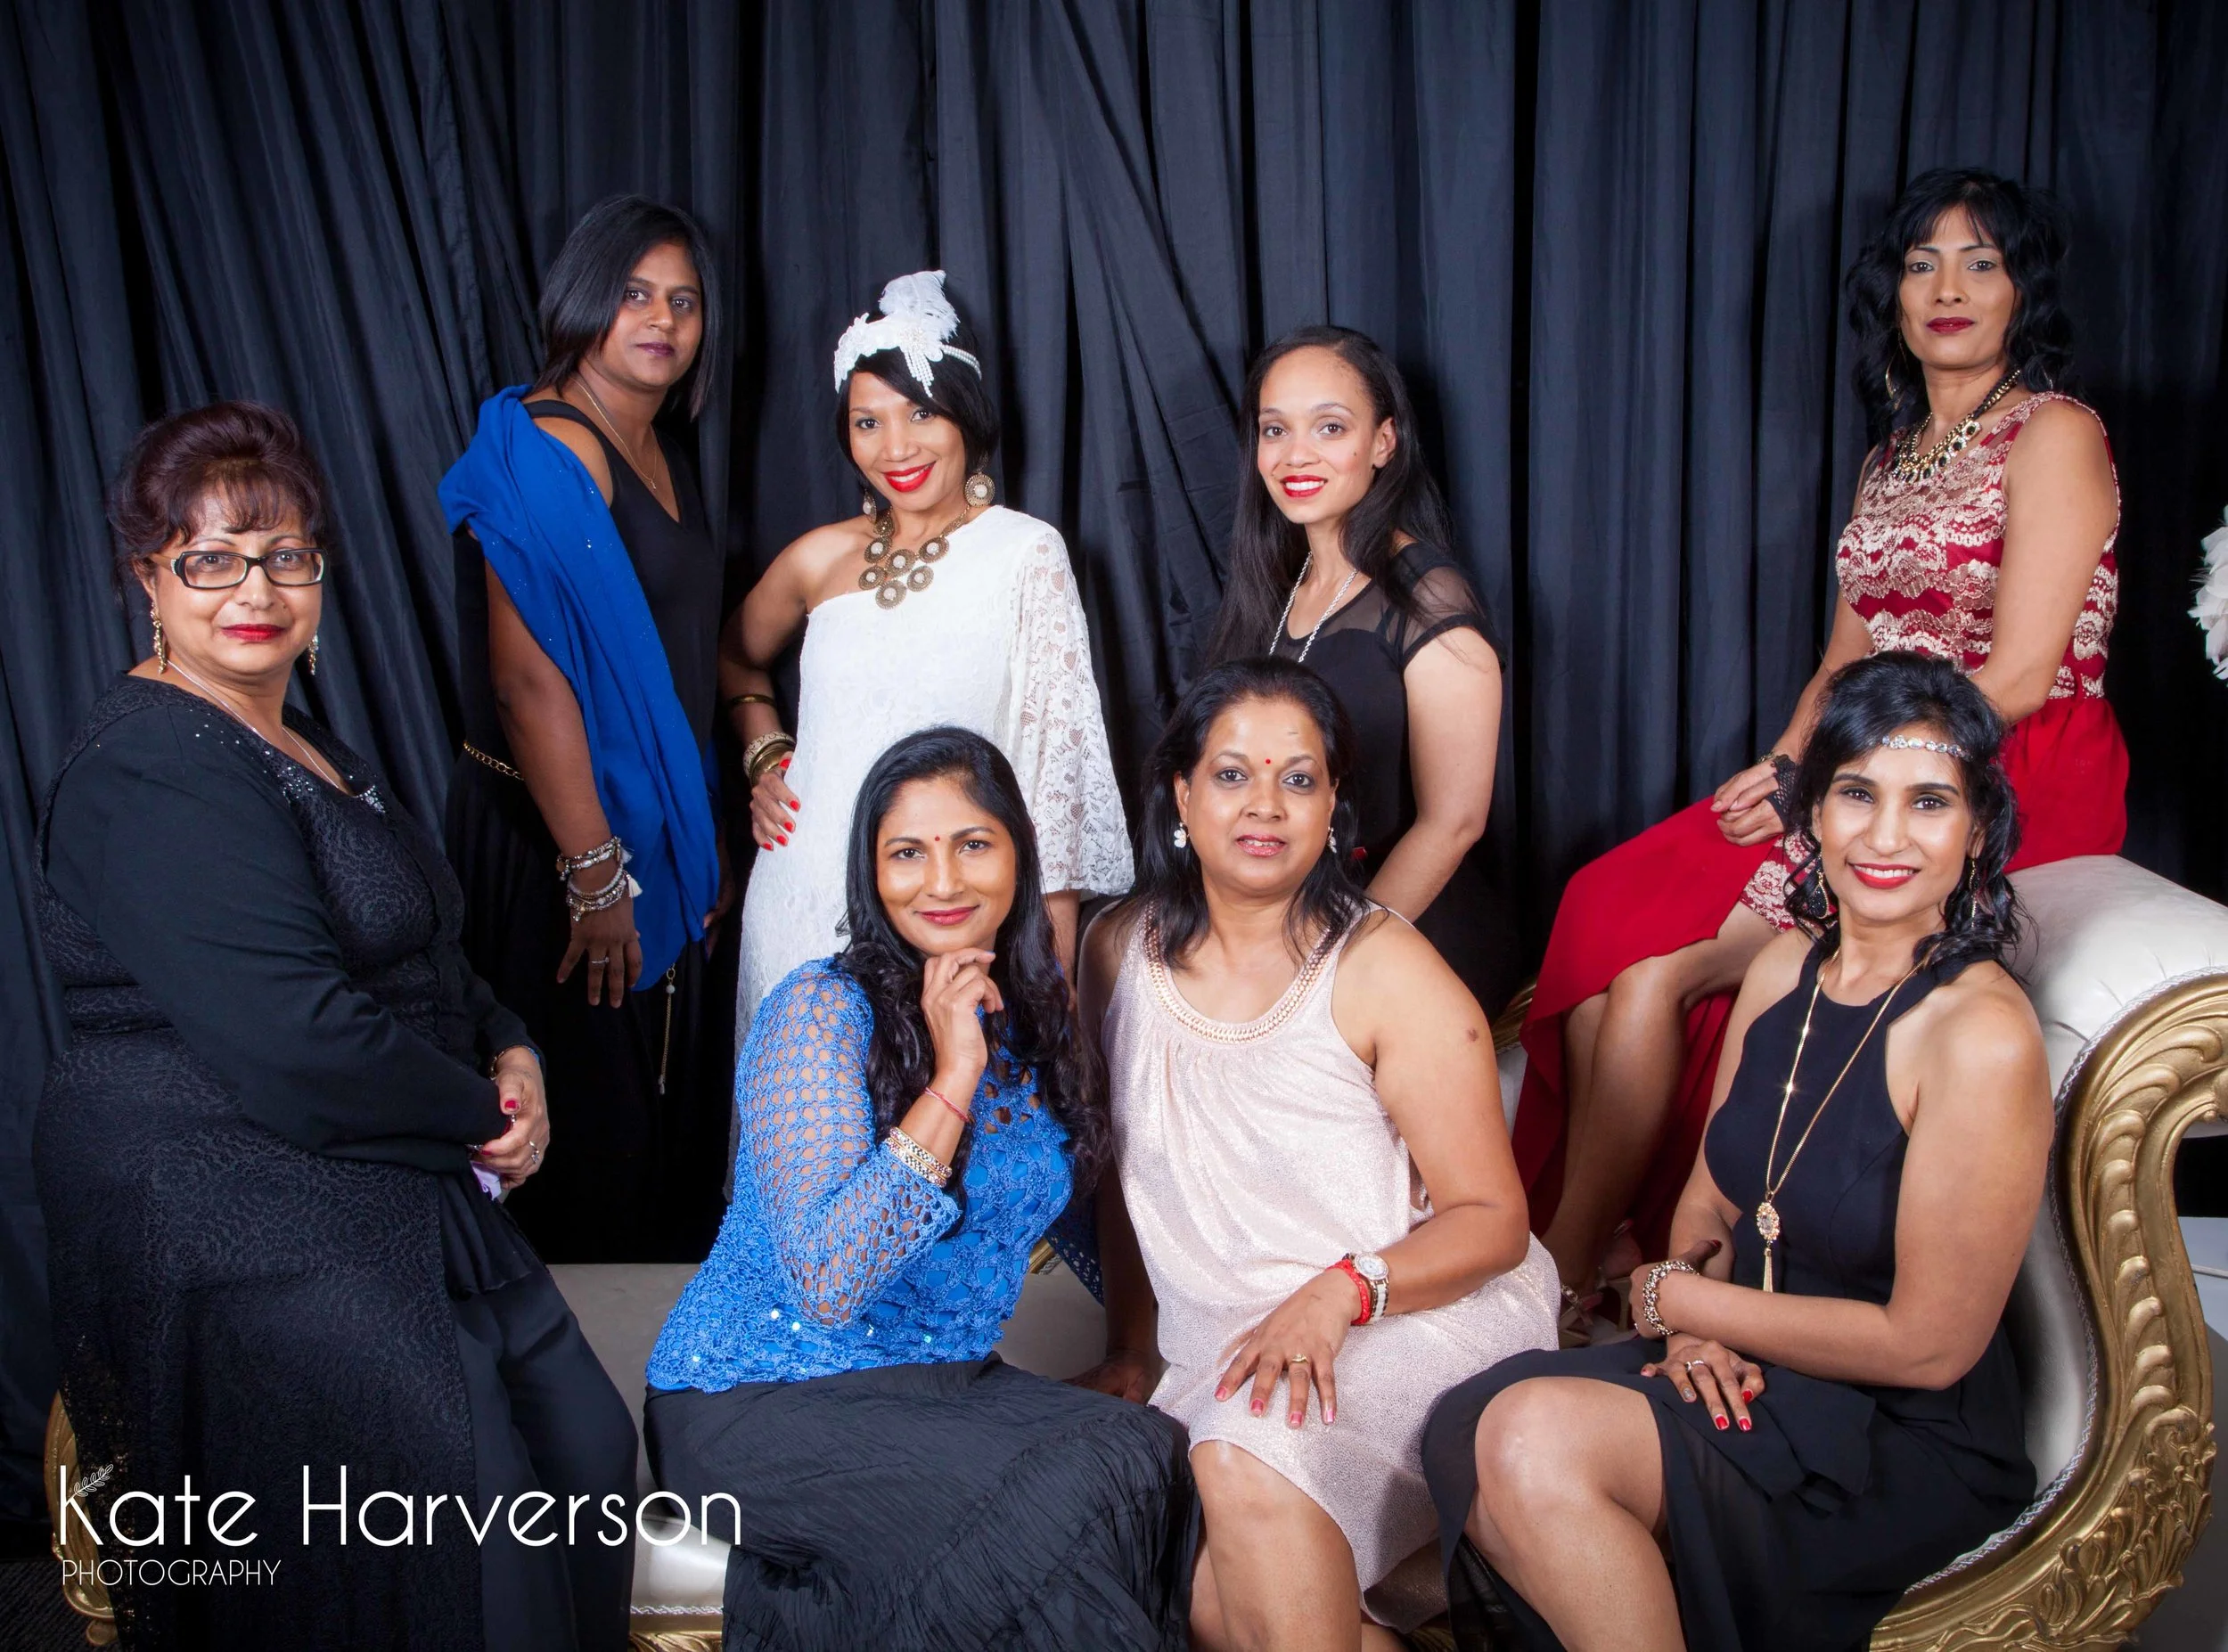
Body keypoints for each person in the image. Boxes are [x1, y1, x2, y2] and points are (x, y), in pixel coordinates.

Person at [35, 403, 636, 1651]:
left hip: (389, 1163)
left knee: (587, 1445)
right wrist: (485, 1111)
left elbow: (426, 944)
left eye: (285, 556)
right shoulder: (151, 766)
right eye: (211, 559)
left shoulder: (300, 738)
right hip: (231, 1191)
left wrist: (512, 1047)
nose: (254, 590)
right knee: (467, 1498)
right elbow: (300, 1042)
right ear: (149, 580)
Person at [1516, 167, 2124, 1321]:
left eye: (1981, 263)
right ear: (1892, 291)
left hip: (1998, 765)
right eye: (1922, 264)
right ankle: (1614, 1239)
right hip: (1860, 753)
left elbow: (2019, 676)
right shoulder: (1892, 456)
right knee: (1604, 908)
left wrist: (1850, 775)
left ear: (2023, 291)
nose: (1949, 289)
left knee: (1656, 974)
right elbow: (1846, 650)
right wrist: (1790, 760)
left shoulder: (2054, 434)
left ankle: (1559, 1271)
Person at [1422, 651, 2048, 1651]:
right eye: (1857, 794)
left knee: (1533, 1442)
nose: (1886, 835)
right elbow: (1711, 1200)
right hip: (1747, 1366)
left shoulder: (1979, 1033)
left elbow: (1929, 1346)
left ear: (1976, 832)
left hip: (1892, 1435)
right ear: (1813, 815)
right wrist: (1691, 1335)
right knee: (1470, 1416)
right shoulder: (1785, 966)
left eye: (1928, 802)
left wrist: (1673, 1301)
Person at [643, 727, 1196, 1649]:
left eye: (972, 844)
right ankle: (723, 1605)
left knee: (1146, 1450)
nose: (941, 881)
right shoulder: (820, 1011)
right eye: (907, 853)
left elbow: (1086, 1203)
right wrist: (954, 1074)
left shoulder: (1037, 1019)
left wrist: (1141, 1349)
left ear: (1019, 854)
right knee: (1056, 1504)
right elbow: (829, 1280)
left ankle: (781, 1608)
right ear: (872, 873)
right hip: (763, 1396)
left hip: (943, 1387)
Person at [1077, 658, 1559, 1648]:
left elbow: (1494, 1223)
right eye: (1232, 775)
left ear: (1334, 805)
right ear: (1180, 793)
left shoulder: (1384, 969)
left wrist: (1342, 1291)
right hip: (1231, 1337)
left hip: (1409, 1311)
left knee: (1245, 1457)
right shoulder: (1115, 950)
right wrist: (1129, 1346)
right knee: (1204, 1595)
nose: (1265, 804)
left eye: (1298, 779)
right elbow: (1126, 1175)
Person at [441, 195, 737, 1262]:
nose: (660, 319)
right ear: (581, 300)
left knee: (649, 1133)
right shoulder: (549, 448)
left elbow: (678, 659)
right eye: (633, 294)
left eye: (684, 302)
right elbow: (528, 684)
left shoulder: (657, 442)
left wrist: (695, 835)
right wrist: (597, 876)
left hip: (641, 832)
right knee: (582, 1146)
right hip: (553, 839)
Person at [725, 269, 1130, 1029]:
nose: (896, 446)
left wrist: (1051, 973)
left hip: (950, 907)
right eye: (867, 422)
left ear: (964, 414)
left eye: (920, 412)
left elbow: (1057, 779)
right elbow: (736, 658)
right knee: (805, 1101)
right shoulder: (817, 558)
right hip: (801, 897)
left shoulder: (1023, 553)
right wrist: (765, 754)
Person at [1204, 325, 1518, 1018]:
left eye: (1330, 427)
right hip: (1288, 923)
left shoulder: (1427, 596)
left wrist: (1330, 961)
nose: (1296, 454)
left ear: (1383, 442)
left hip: (1402, 930)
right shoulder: (1275, 591)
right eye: (1275, 430)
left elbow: (1454, 821)